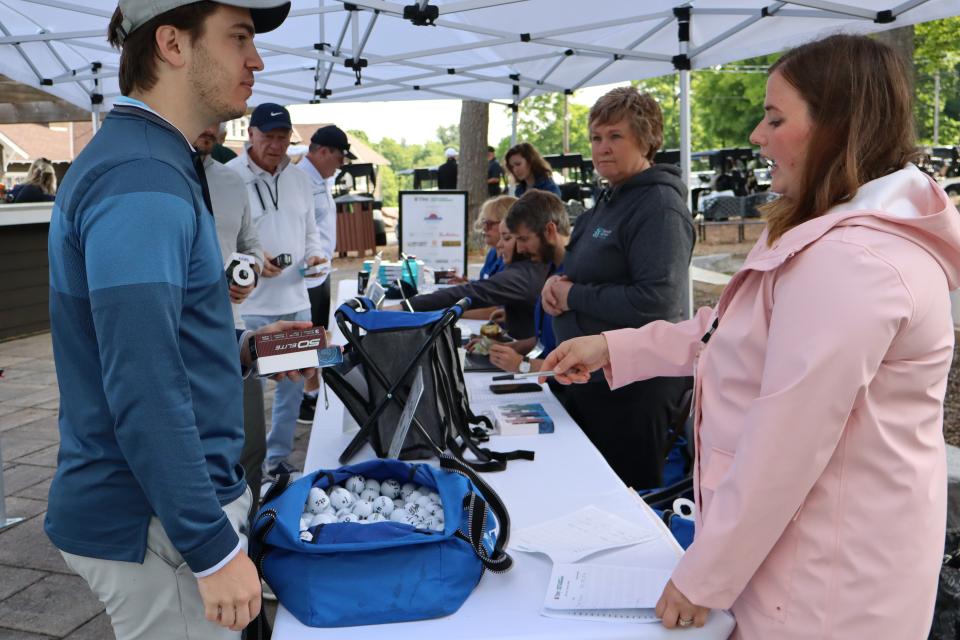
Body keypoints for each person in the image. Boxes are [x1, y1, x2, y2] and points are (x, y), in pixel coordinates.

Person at [543, 34, 959, 638]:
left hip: (826, 580)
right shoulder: (816, 227)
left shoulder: (854, 261)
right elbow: (729, 330)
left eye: (775, 118)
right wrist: (616, 346)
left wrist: (703, 576)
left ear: (837, 126)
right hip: (788, 554)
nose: (758, 136)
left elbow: (787, 443)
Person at [45, 2, 299, 638]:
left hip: (159, 511)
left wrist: (238, 347)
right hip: (153, 522)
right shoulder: (142, 174)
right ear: (173, 44)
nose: (257, 59)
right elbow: (143, 382)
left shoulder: (153, 158)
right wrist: (210, 547)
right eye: (239, 37)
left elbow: (158, 340)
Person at [540, 86, 695, 490]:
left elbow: (658, 302)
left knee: (623, 505)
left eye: (615, 136)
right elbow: (583, 270)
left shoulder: (658, 207)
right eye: (596, 137)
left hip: (630, 393)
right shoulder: (610, 200)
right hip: (589, 386)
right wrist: (553, 285)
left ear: (645, 140)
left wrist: (573, 295)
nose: (602, 148)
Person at [227, 103, 327, 477]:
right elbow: (221, 239)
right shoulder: (228, 177)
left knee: (291, 388)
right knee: (243, 397)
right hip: (248, 306)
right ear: (250, 134)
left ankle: (278, 461)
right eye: (267, 136)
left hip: (294, 301)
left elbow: (311, 233)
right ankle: (241, 466)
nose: (274, 144)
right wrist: (251, 260)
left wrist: (316, 256)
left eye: (282, 136)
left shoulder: (300, 178)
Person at [194, 123, 267, 521]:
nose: (214, 128)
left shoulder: (230, 181)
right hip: (181, 338)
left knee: (252, 442)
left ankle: (249, 534)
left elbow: (250, 245)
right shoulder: (157, 177)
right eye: (207, 117)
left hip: (233, 328)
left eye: (220, 121)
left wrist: (250, 272)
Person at [392, 215, 548, 341]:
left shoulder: (522, 275)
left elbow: (474, 292)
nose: (500, 245)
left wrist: (405, 307)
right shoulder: (527, 270)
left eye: (507, 238)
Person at [296, 124, 355, 424]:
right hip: (306, 276)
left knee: (319, 332)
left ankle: (319, 384)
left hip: (320, 272)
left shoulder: (320, 178)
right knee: (308, 335)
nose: (341, 165)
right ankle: (308, 394)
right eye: (340, 158)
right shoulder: (301, 180)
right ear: (322, 152)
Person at [489, 189, 570, 375]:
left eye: (523, 239)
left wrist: (522, 365)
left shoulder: (577, 277)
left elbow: (579, 365)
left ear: (550, 230)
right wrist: (515, 347)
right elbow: (547, 340)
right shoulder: (550, 268)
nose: (520, 249)